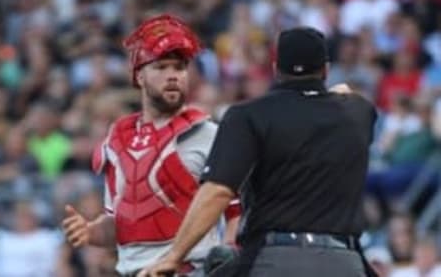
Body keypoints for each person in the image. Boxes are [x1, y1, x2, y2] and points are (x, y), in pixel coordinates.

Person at [139, 27, 378, 277]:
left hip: (275, 260)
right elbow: (342, 95)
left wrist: (174, 256)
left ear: (275, 69)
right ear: (326, 69)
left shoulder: (248, 116)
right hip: (345, 263)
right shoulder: (359, 113)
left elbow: (218, 192)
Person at [61, 14, 240, 277]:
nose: (172, 76)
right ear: (140, 76)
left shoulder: (208, 134)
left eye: (179, 68)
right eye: (161, 67)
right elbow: (123, 224)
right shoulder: (117, 142)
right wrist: (90, 232)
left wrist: (229, 252)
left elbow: (235, 207)